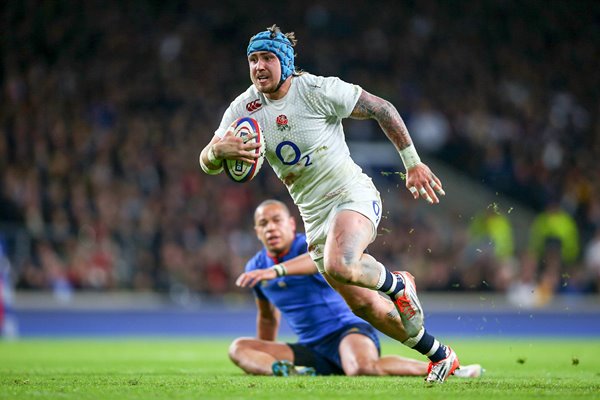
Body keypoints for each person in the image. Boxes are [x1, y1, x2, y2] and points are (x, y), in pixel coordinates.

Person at [200, 24, 456, 383]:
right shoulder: (243, 108)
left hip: (352, 195)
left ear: (285, 62)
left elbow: (382, 108)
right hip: (315, 217)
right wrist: (216, 151)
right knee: (364, 305)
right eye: (253, 59)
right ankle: (441, 355)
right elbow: (206, 162)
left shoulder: (318, 90)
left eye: (267, 58)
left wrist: (412, 162)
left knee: (341, 263)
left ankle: (398, 284)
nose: (259, 66)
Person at [229, 200, 483, 378]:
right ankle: (287, 371)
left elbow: (318, 263)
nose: (271, 227)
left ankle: (451, 370)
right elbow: (266, 315)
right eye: (263, 223)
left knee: (361, 368)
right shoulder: (256, 267)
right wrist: (266, 351)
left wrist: (278, 270)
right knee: (239, 347)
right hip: (311, 347)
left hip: (347, 332)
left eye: (276, 221)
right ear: (257, 231)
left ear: (291, 224)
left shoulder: (308, 245)